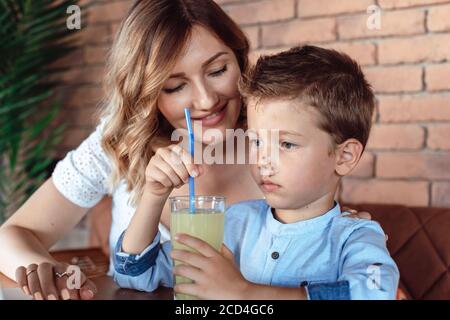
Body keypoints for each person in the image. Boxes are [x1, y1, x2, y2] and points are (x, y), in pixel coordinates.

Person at [0, 0, 369, 300]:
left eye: (218, 70)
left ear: (239, 59)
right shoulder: (119, 144)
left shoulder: (277, 145)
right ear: (146, 94)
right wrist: (52, 273)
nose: (207, 100)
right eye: (175, 87)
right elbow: (12, 234)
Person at [113, 45, 399, 300]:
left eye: (286, 143)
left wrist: (244, 293)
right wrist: (154, 194)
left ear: (344, 156)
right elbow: (135, 275)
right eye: (256, 141)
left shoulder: (355, 236)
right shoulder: (235, 224)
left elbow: (374, 292)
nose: (263, 160)